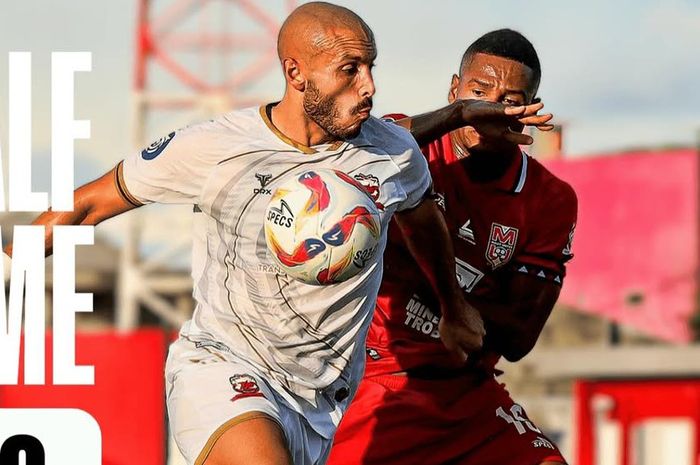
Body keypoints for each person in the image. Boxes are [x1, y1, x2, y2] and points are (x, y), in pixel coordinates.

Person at [1, 7, 552, 465]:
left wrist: (454, 307)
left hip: (321, 400)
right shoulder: (217, 147)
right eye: (350, 70)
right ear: (297, 74)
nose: (370, 87)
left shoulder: (391, 151)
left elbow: (420, 213)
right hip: (225, 369)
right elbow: (89, 203)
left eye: (372, 68)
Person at [328, 29, 577, 465]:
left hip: (463, 388)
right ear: (454, 91)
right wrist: (456, 116)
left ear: (529, 110)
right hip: (374, 373)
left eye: (509, 99)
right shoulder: (408, 147)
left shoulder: (549, 198)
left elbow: (519, 335)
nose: (490, 108)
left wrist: (444, 293)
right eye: (478, 93)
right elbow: (354, 150)